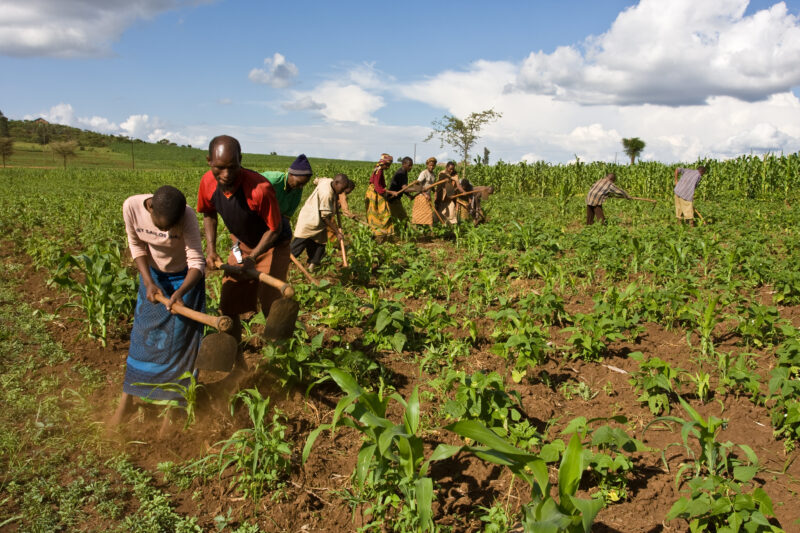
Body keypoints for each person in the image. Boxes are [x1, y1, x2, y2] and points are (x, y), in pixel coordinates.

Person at [112, 185, 205, 429]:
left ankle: (174, 404)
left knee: (181, 344)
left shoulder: (187, 216)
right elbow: (136, 245)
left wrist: (180, 292)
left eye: (171, 227)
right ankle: (128, 397)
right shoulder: (131, 206)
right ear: (150, 207)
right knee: (142, 339)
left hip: (186, 281)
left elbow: (197, 261)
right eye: (162, 227)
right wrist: (148, 281)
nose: (167, 232)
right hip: (152, 279)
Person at [196, 135, 290, 350]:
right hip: (243, 244)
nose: (227, 174)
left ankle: (279, 356)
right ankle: (235, 356)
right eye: (220, 167)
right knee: (229, 302)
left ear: (241, 160)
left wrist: (253, 257)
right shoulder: (208, 182)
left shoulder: (259, 188)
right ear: (209, 160)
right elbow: (209, 213)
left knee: (271, 304)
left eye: (233, 167)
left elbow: (274, 230)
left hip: (273, 244)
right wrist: (210, 250)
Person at [292, 174, 350, 271]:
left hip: (318, 222)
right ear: (336, 183)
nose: (342, 191)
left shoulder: (328, 181)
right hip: (309, 219)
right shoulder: (326, 194)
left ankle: (312, 266)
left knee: (320, 245)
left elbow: (317, 180)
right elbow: (325, 217)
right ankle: (282, 263)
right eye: (342, 188)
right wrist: (337, 232)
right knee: (298, 245)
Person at [260, 155, 314, 221]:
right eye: (299, 183)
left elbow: (287, 216)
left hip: (277, 217)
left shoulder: (298, 189)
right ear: (290, 174)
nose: (301, 187)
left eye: (304, 184)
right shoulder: (272, 181)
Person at [365, 153, 398, 237]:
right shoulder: (378, 171)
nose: (388, 167)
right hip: (374, 193)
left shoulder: (378, 169)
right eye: (388, 165)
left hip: (373, 192)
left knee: (375, 213)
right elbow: (378, 188)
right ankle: (380, 233)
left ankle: (376, 232)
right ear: (384, 163)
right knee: (383, 213)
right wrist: (391, 192)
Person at [409, 157, 439, 226]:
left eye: (433, 165)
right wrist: (425, 194)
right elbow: (417, 184)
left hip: (428, 196)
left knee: (427, 214)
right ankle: (417, 229)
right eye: (430, 165)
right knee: (420, 215)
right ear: (427, 165)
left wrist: (435, 192)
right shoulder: (424, 173)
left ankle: (427, 230)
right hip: (421, 196)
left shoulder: (433, 175)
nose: (431, 167)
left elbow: (432, 185)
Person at [387, 156, 413, 221]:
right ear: (403, 164)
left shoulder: (404, 172)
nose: (411, 167)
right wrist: (418, 189)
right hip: (392, 199)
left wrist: (408, 195)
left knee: (400, 218)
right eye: (409, 165)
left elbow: (402, 187)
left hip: (396, 198)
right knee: (403, 219)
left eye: (411, 165)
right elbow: (405, 189)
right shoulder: (401, 173)